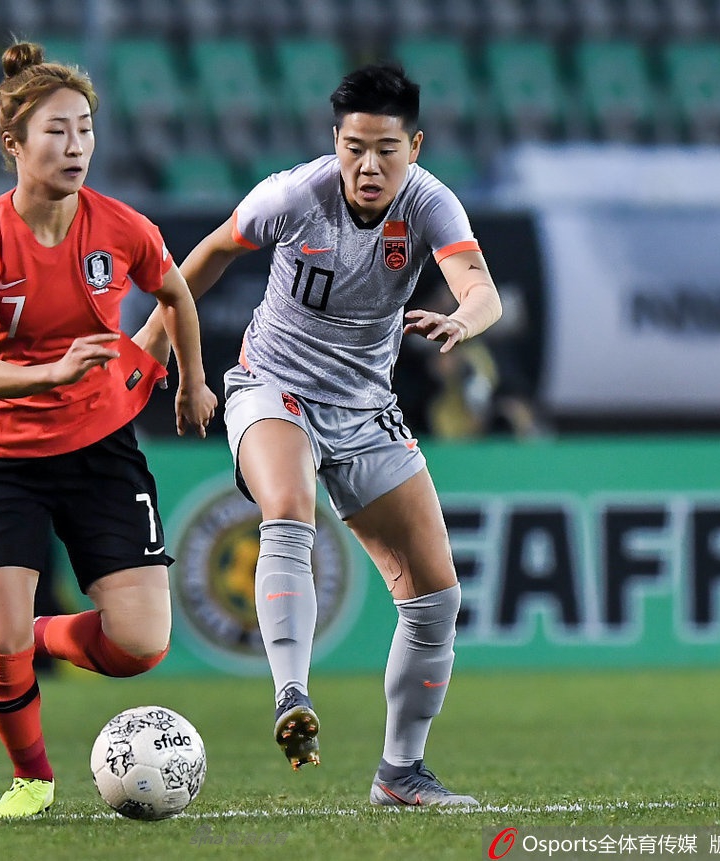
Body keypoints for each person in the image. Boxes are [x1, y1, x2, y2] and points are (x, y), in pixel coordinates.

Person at [138, 64, 502, 807]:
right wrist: (154, 347)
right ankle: (291, 694)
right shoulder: (293, 196)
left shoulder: (431, 204)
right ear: (335, 141)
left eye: (387, 151)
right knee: (288, 504)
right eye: (354, 148)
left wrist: (463, 320)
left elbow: (481, 290)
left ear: (414, 147)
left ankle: (400, 773)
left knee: (436, 598)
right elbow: (205, 256)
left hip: (366, 409)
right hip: (272, 386)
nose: (368, 166)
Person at [0, 42, 216, 819]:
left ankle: (43, 632)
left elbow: (175, 291)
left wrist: (192, 381)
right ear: (14, 143)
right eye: (57, 132)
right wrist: (53, 371)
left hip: (101, 450)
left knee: (141, 645)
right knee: (0, 647)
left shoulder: (120, 225)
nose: (76, 147)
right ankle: (31, 777)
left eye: (86, 130)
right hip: (5, 459)